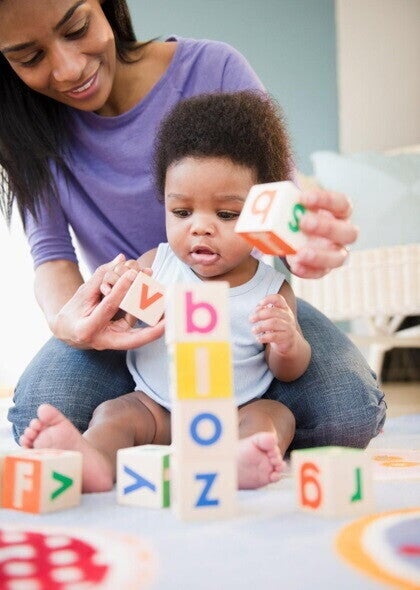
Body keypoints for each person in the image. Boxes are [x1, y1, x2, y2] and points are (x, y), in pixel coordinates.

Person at [0, 0, 385, 448]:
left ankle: (226, 424)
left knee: (349, 413)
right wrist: (75, 322)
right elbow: (51, 255)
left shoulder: (213, 67)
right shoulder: (24, 128)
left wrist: (300, 241)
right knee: (39, 407)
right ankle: (160, 410)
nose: (67, 70)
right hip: (131, 326)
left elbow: (283, 198)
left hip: (242, 312)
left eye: (78, 27)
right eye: (29, 57)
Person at [20, 90, 311, 492]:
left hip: (233, 413)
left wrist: (287, 341)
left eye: (226, 214)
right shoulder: (158, 263)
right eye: (182, 212)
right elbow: (118, 306)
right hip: (155, 407)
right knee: (113, 413)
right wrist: (112, 291)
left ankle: (235, 462)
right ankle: (96, 461)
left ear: (262, 215)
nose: (200, 227)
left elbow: (288, 370)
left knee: (276, 414)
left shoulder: (270, 288)